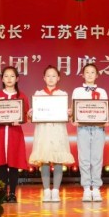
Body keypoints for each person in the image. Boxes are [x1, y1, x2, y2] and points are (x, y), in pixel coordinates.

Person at [28, 66, 75, 202]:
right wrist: (32, 114)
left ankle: (56, 191)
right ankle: (46, 191)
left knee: (58, 160)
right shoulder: (38, 94)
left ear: (58, 78)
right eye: (48, 76)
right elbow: (34, 116)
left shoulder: (62, 94)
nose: (51, 78)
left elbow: (67, 116)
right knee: (44, 160)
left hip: (58, 130)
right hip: (43, 131)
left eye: (54, 76)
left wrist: (69, 114)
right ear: (44, 78)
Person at [0, 66, 29, 203]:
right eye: (6, 76)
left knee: (14, 164)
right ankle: (3, 192)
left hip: (14, 133)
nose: (9, 79)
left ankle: (12, 193)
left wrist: (21, 120)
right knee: (2, 165)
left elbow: (26, 115)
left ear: (17, 79)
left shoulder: (22, 96)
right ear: (2, 79)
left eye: (12, 76)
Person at [72, 63, 109, 202]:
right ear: (83, 75)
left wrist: (106, 119)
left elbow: (105, 109)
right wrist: (73, 118)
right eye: (87, 72)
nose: (89, 75)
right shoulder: (77, 91)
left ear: (97, 75)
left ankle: (97, 188)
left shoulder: (102, 91)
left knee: (97, 158)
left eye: (92, 72)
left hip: (98, 128)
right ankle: (87, 188)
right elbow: (74, 108)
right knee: (84, 159)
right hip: (83, 128)